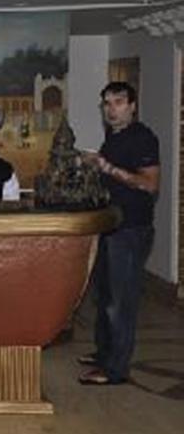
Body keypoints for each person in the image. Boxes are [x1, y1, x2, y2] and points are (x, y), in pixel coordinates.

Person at [78, 81, 159, 385]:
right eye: (107, 103)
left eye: (119, 102)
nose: (111, 109)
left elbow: (150, 184)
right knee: (104, 296)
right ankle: (104, 354)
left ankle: (115, 369)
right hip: (110, 226)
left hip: (131, 229)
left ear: (132, 106)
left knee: (121, 302)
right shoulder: (113, 137)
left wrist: (105, 166)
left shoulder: (143, 138)